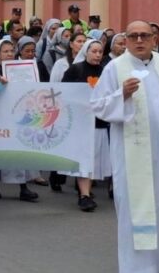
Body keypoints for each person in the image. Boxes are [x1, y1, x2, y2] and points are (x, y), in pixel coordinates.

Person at [92, 20, 159, 273]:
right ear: (126, 41)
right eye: (133, 36)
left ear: (154, 39)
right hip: (131, 158)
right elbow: (97, 105)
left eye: (144, 35)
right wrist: (122, 94)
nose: (139, 40)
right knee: (135, 212)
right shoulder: (115, 68)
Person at [0, 38, 40, 202]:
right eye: (5, 51)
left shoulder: (20, 68)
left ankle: (23, 187)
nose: (9, 54)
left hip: (17, 113)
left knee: (19, 149)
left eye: (11, 51)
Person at [61, 39, 109, 211]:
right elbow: (64, 93)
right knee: (83, 158)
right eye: (94, 51)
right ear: (86, 52)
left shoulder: (105, 71)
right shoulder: (75, 69)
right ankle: (84, 195)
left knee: (94, 158)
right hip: (80, 122)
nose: (97, 55)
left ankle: (85, 190)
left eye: (100, 52)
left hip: (98, 121)